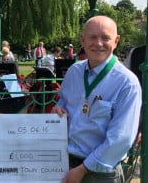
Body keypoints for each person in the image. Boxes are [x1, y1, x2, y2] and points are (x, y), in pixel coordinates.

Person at [51, 16, 142, 183]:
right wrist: (58, 108)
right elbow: (63, 101)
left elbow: (121, 138)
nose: (98, 43)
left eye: (105, 38)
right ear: (83, 40)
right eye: (92, 37)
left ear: (116, 41)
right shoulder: (74, 71)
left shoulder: (127, 83)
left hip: (100, 174)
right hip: (65, 163)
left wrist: (83, 169)